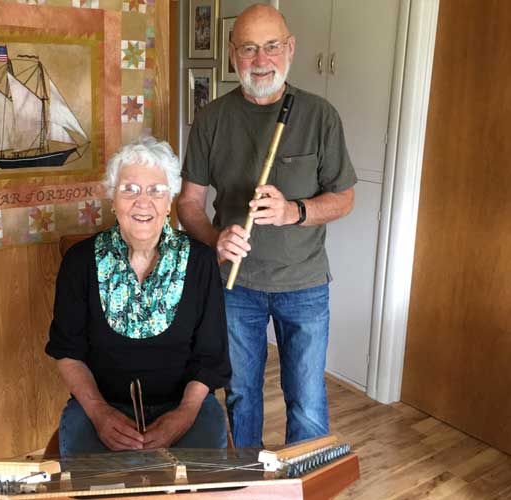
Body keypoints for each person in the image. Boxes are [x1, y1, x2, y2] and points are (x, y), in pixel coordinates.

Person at [177, 4, 357, 447]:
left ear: (290, 48)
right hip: (236, 288)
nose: (262, 60)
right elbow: (188, 204)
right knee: (240, 394)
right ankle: (249, 483)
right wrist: (216, 239)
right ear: (233, 52)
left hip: (305, 284)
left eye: (272, 46)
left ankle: (303, 486)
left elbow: (344, 198)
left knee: (307, 398)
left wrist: (294, 211)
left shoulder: (319, 115)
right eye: (250, 48)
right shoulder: (211, 119)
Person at [46, 136, 231, 456]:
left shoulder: (200, 262)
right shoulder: (80, 263)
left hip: (186, 407)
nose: (143, 202)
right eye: (129, 189)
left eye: (156, 190)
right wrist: (99, 413)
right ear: (112, 200)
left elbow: (210, 357)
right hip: (101, 408)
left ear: (169, 200)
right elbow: (68, 352)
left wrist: (184, 416)